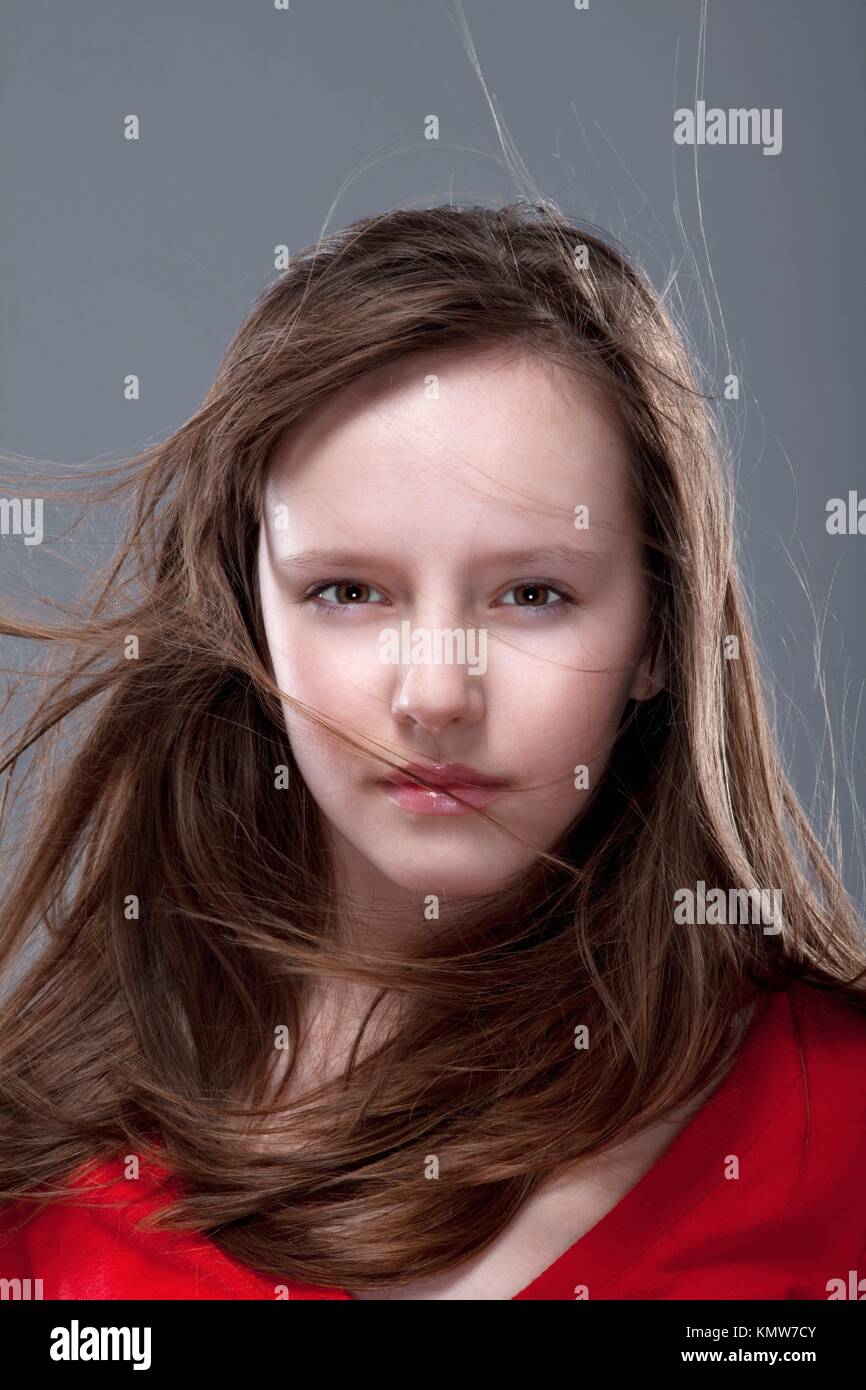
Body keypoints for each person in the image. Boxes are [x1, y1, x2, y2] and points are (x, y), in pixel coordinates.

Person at [0, 202, 864, 1301]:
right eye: (349, 592)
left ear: (658, 632)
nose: (436, 692)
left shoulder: (836, 1137)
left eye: (532, 594)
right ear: (246, 612)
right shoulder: (47, 1183)